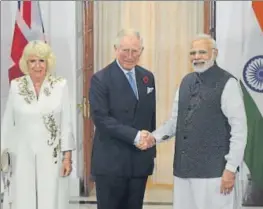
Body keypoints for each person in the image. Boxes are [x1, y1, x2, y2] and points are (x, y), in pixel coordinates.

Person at [138, 34, 248, 209]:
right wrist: (153, 137)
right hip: (183, 171)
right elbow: (175, 122)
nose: (197, 57)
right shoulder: (185, 82)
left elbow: (239, 130)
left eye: (202, 52)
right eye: (193, 53)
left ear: (214, 53)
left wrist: (231, 168)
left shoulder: (228, 83)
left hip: (214, 174)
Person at [1, 40, 75, 209]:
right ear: (25, 64)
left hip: (51, 158)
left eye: (42, 60)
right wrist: (4, 156)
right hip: (21, 156)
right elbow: (7, 123)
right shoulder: (16, 86)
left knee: (50, 200)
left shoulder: (60, 85)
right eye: (32, 61)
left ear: (48, 62)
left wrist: (67, 158)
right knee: (23, 200)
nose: (37, 66)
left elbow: (66, 124)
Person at [89, 29, 156, 209]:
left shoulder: (147, 77)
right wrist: (135, 136)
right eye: (125, 50)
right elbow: (101, 119)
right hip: (111, 164)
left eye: (135, 51)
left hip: (139, 163)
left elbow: (150, 117)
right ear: (115, 49)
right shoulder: (100, 79)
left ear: (141, 51)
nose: (129, 56)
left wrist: (151, 146)